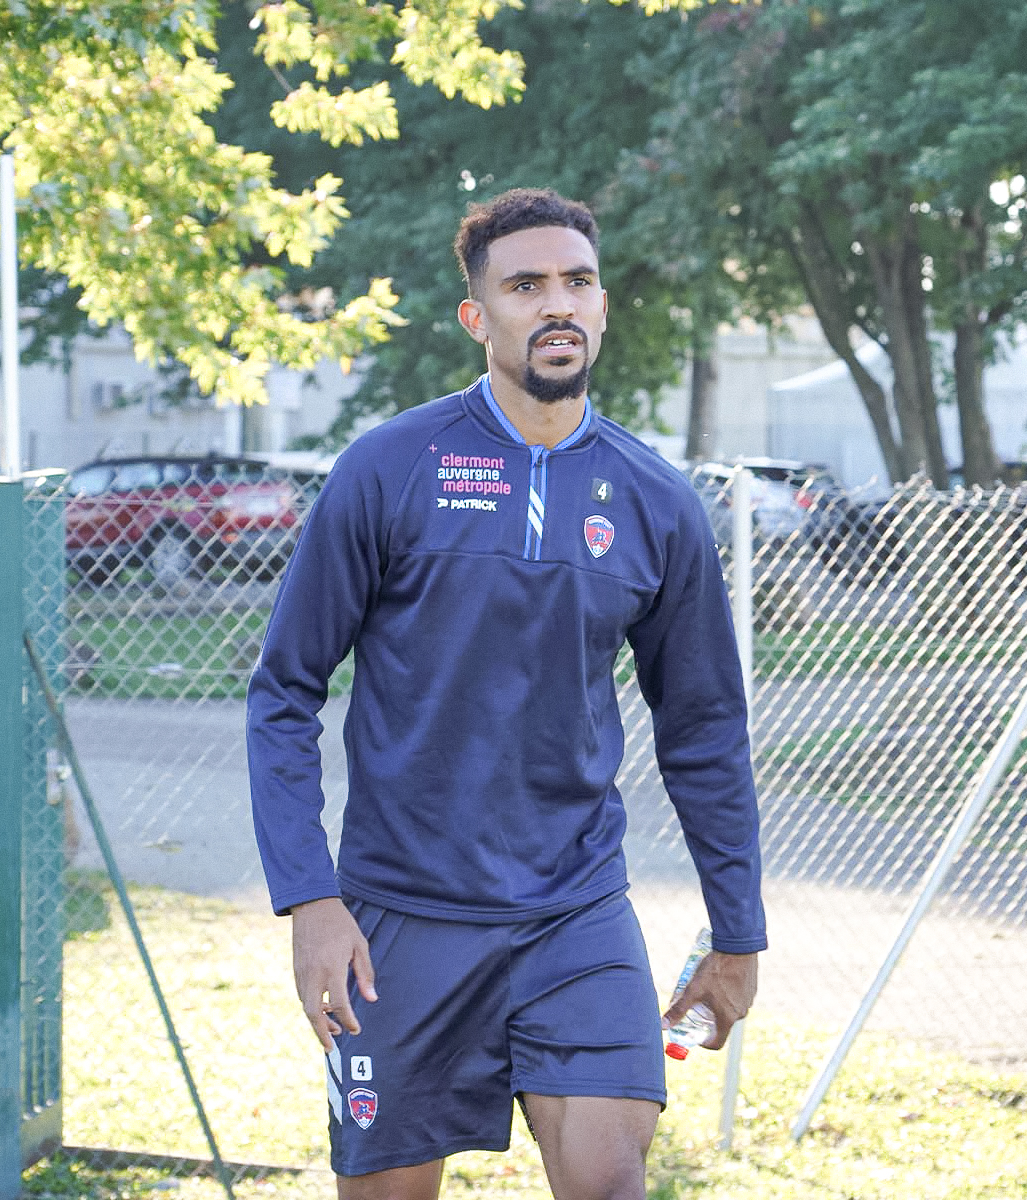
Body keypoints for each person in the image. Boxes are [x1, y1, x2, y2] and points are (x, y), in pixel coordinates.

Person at [246, 187, 766, 1200]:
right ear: (477, 318)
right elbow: (283, 693)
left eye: (576, 281)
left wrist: (737, 934)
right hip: (400, 921)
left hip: (575, 913)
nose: (556, 304)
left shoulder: (656, 501)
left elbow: (704, 730)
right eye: (525, 286)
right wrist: (312, 901)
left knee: (612, 1184)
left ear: (603, 306)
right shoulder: (390, 468)